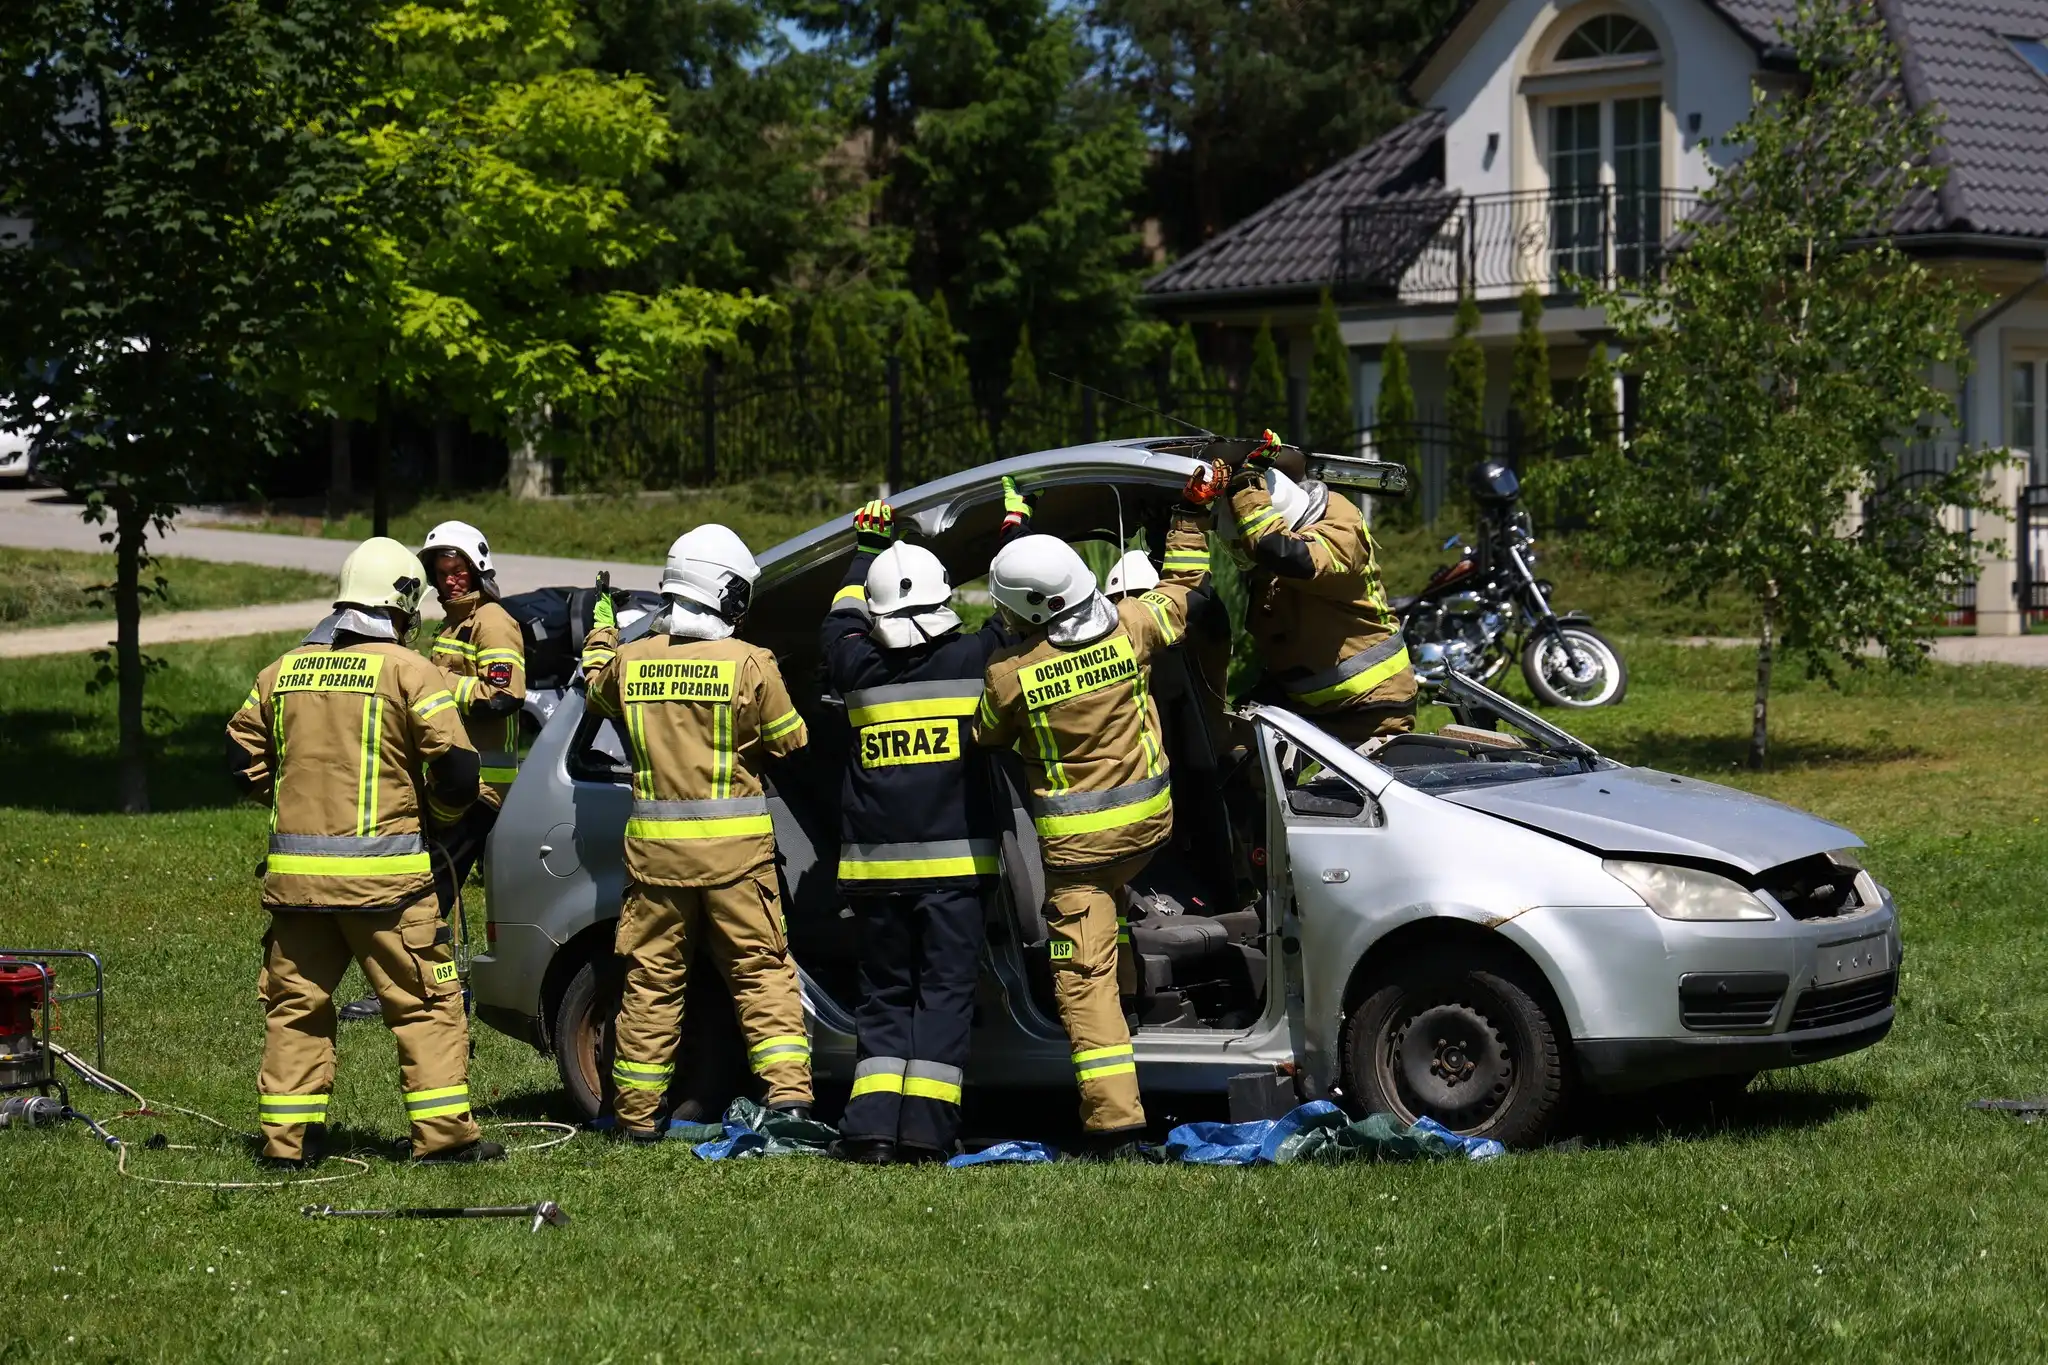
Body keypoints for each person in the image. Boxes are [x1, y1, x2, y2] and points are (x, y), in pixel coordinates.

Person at [970, 463, 1224, 1151]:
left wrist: (1008, 640)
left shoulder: (1010, 676)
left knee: (1083, 982)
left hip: (1079, 857)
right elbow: (1182, 588)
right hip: (1149, 829)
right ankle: (1149, 1008)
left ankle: (1116, 1124)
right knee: (1114, 916)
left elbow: (983, 731)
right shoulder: (1133, 628)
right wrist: (1193, 513)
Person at [224, 537, 500, 1167]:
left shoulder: (282, 671)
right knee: (426, 1006)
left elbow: (239, 758)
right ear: (403, 605)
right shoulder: (410, 671)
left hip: (297, 890)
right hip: (388, 890)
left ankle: (287, 1145)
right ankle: (445, 1141)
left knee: (297, 1010)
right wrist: (440, 819)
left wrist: (287, 796)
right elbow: (457, 773)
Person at [581, 524, 814, 1142]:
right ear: (726, 593)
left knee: (652, 982)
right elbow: (791, 740)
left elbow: (594, 684)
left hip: (657, 864)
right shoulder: (749, 663)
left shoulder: (630, 664)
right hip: (737, 862)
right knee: (761, 972)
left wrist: (603, 631)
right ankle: (789, 1101)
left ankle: (634, 1115)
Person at [819, 489, 1027, 1164]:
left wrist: (866, 553)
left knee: (884, 998)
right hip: (955, 877)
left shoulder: (855, 666)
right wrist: (1014, 530)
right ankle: (925, 1134)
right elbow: (1012, 608)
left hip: (876, 879)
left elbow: (839, 621)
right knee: (942, 999)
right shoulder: (973, 661)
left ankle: (873, 1130)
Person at [338, 521, 524, 1024]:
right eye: (440, 573)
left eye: (457, 570)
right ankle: (427, 980)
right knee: (428, 885)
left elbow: (503, 698)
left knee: (429, 889)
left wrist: (437, 681)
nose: (449, 582)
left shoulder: (493, 623)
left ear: (477, 569)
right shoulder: (449, 630)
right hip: (454, 783)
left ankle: (406, 987)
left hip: (480, 790)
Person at [1225, 430, 1417, 746]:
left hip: (1370, 703)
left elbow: (1287, 555)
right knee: (1241, 762)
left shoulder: (1340, 525)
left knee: (1342, 796)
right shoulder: (1270, 560)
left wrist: (1247, 485)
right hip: (1306, 703)